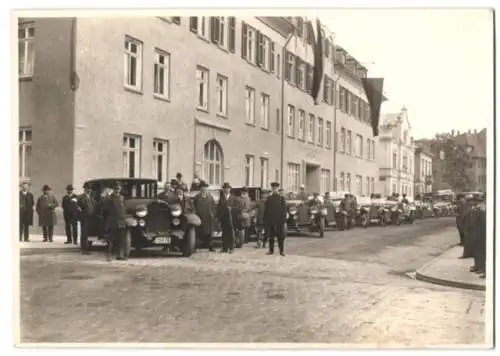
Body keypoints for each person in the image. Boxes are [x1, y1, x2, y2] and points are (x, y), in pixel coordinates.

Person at [102, 181, 127, 261]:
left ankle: (120, 255)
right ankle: (108, 256)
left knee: (121, 240)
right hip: (112, 221)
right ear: (113, 189)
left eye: (119, 188)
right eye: (116, 188)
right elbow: (105, 210)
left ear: (121, 189)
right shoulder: (109, 198)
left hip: (121, 222)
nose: (117, 190)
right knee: (110, 240)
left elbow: (124, 209)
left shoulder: (122, 198)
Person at [264, 182, 287, 256]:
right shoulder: (268, 199)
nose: (274, 189)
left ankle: (282, 251)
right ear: (272, 189)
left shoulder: (281, 199)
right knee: (271, 236)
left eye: (276, 188)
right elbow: (266, 211)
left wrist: (283, 221)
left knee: (280, 237)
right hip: (271, 221)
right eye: (273, 188)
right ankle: (271, 250)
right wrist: (266, 221)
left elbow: (284, 211)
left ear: (278, 189)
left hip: (279, 221)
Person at [193, 181, 215, 252]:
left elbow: (213, 206)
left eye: (205, 188)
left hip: (208, 217)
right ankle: (195, 247)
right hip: (199, 217)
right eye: (202, 188)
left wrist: (212, 214)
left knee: (209, 233)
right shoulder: (197, 197)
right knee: (198, 232)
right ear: (200, 189)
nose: (204, 189)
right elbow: (194, 207)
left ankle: (210, 247)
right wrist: (195, 214)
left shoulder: (210, 197)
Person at [77, 183, 95, 255]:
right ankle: (84, 249)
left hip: (91, 218)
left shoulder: (91, 198)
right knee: (84, 234)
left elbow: (95, 205)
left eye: (90, 189)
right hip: (84, 218)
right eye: (87, 189)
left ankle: (87, 248)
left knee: (88, 234)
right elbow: (77, 206)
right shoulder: (81, 197)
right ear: (85, 189)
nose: (89, 190)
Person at [218, 182, 236, 253]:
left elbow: (236, 207)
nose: (226, 190)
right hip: (223, 218)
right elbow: (219, 207)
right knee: (224, 233)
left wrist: (231, 208)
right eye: (225, 188)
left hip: (231, 217)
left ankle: (231, 248)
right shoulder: (221, 198)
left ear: (230, 189)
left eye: (228, 188)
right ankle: (224, 248)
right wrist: (219, 217)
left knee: (231, 233)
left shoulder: (233, 198)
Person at [472, 194, 486, 278]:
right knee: (477, 251)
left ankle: (481, 268)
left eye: (476, 201)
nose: (475, 202)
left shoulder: (482, 209)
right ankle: (478, 266)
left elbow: (482, 223)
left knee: (481, 252)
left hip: (481, 233)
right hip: (476, 233)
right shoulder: (477, 209)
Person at [459, 194, 475, 259]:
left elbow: (463, 216)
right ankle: (469, 254)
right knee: (469, 241)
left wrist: (461, 224)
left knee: (467, 241)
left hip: (469, 226)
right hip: (469, 226)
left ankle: (466, 254)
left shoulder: (467, 207)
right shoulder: (470, 206)